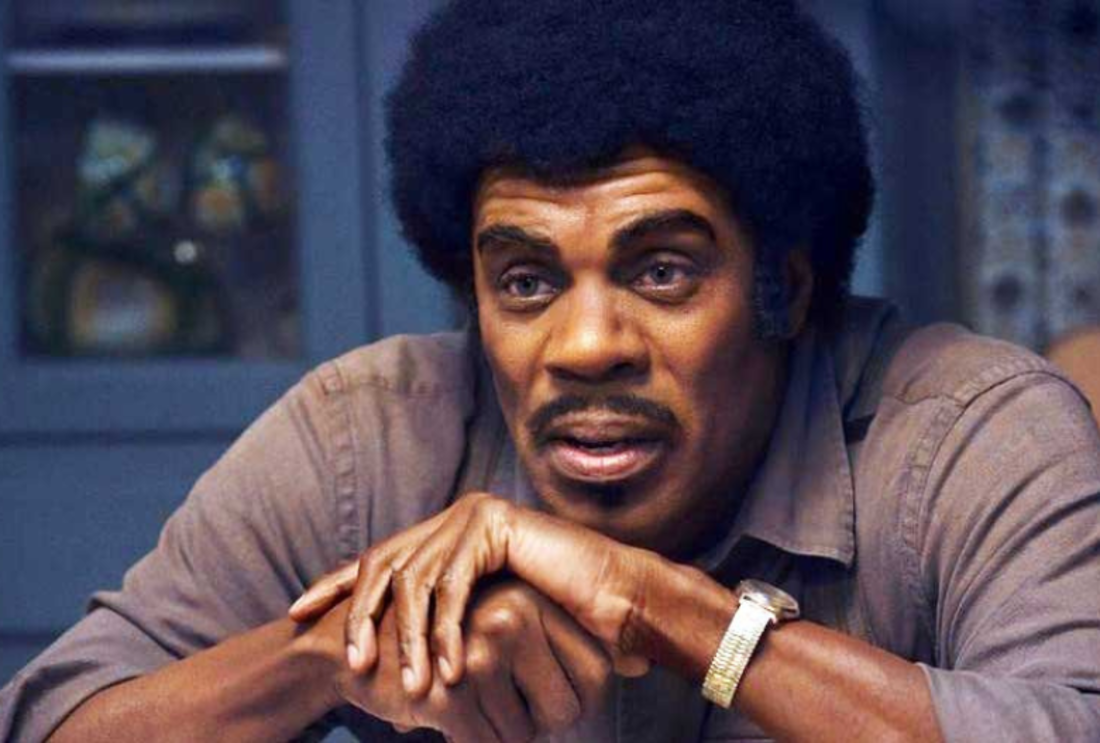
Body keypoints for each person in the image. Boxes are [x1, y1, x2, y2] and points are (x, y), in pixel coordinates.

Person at [4, 0, 1100, 740]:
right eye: (526, 280)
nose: (583, 346)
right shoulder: (365, 436)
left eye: (661, 270)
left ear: (787, 285)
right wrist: (330, 655)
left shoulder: (970, 434)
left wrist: (654, 605)